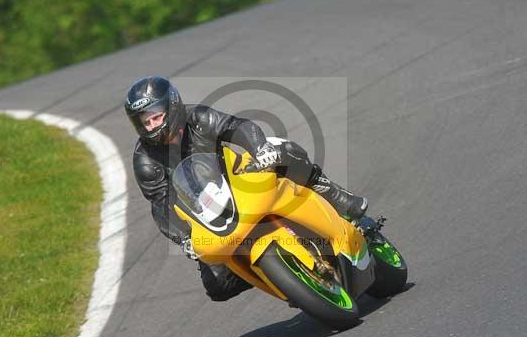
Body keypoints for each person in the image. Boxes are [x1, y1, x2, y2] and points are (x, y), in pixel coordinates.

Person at [125, 76, 369, 302]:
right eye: (145, 122)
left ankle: (334, 195)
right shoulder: (145, 160)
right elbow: (161, 205)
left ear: (172, 106)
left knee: (282, 151)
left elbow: (237, 127)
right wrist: (185, 238)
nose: (151, 126)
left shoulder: (197, 118)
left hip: (240, 177)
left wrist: (260, 149)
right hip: (207, 213)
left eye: (156, 117)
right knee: (218, 286)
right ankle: (276, 276)